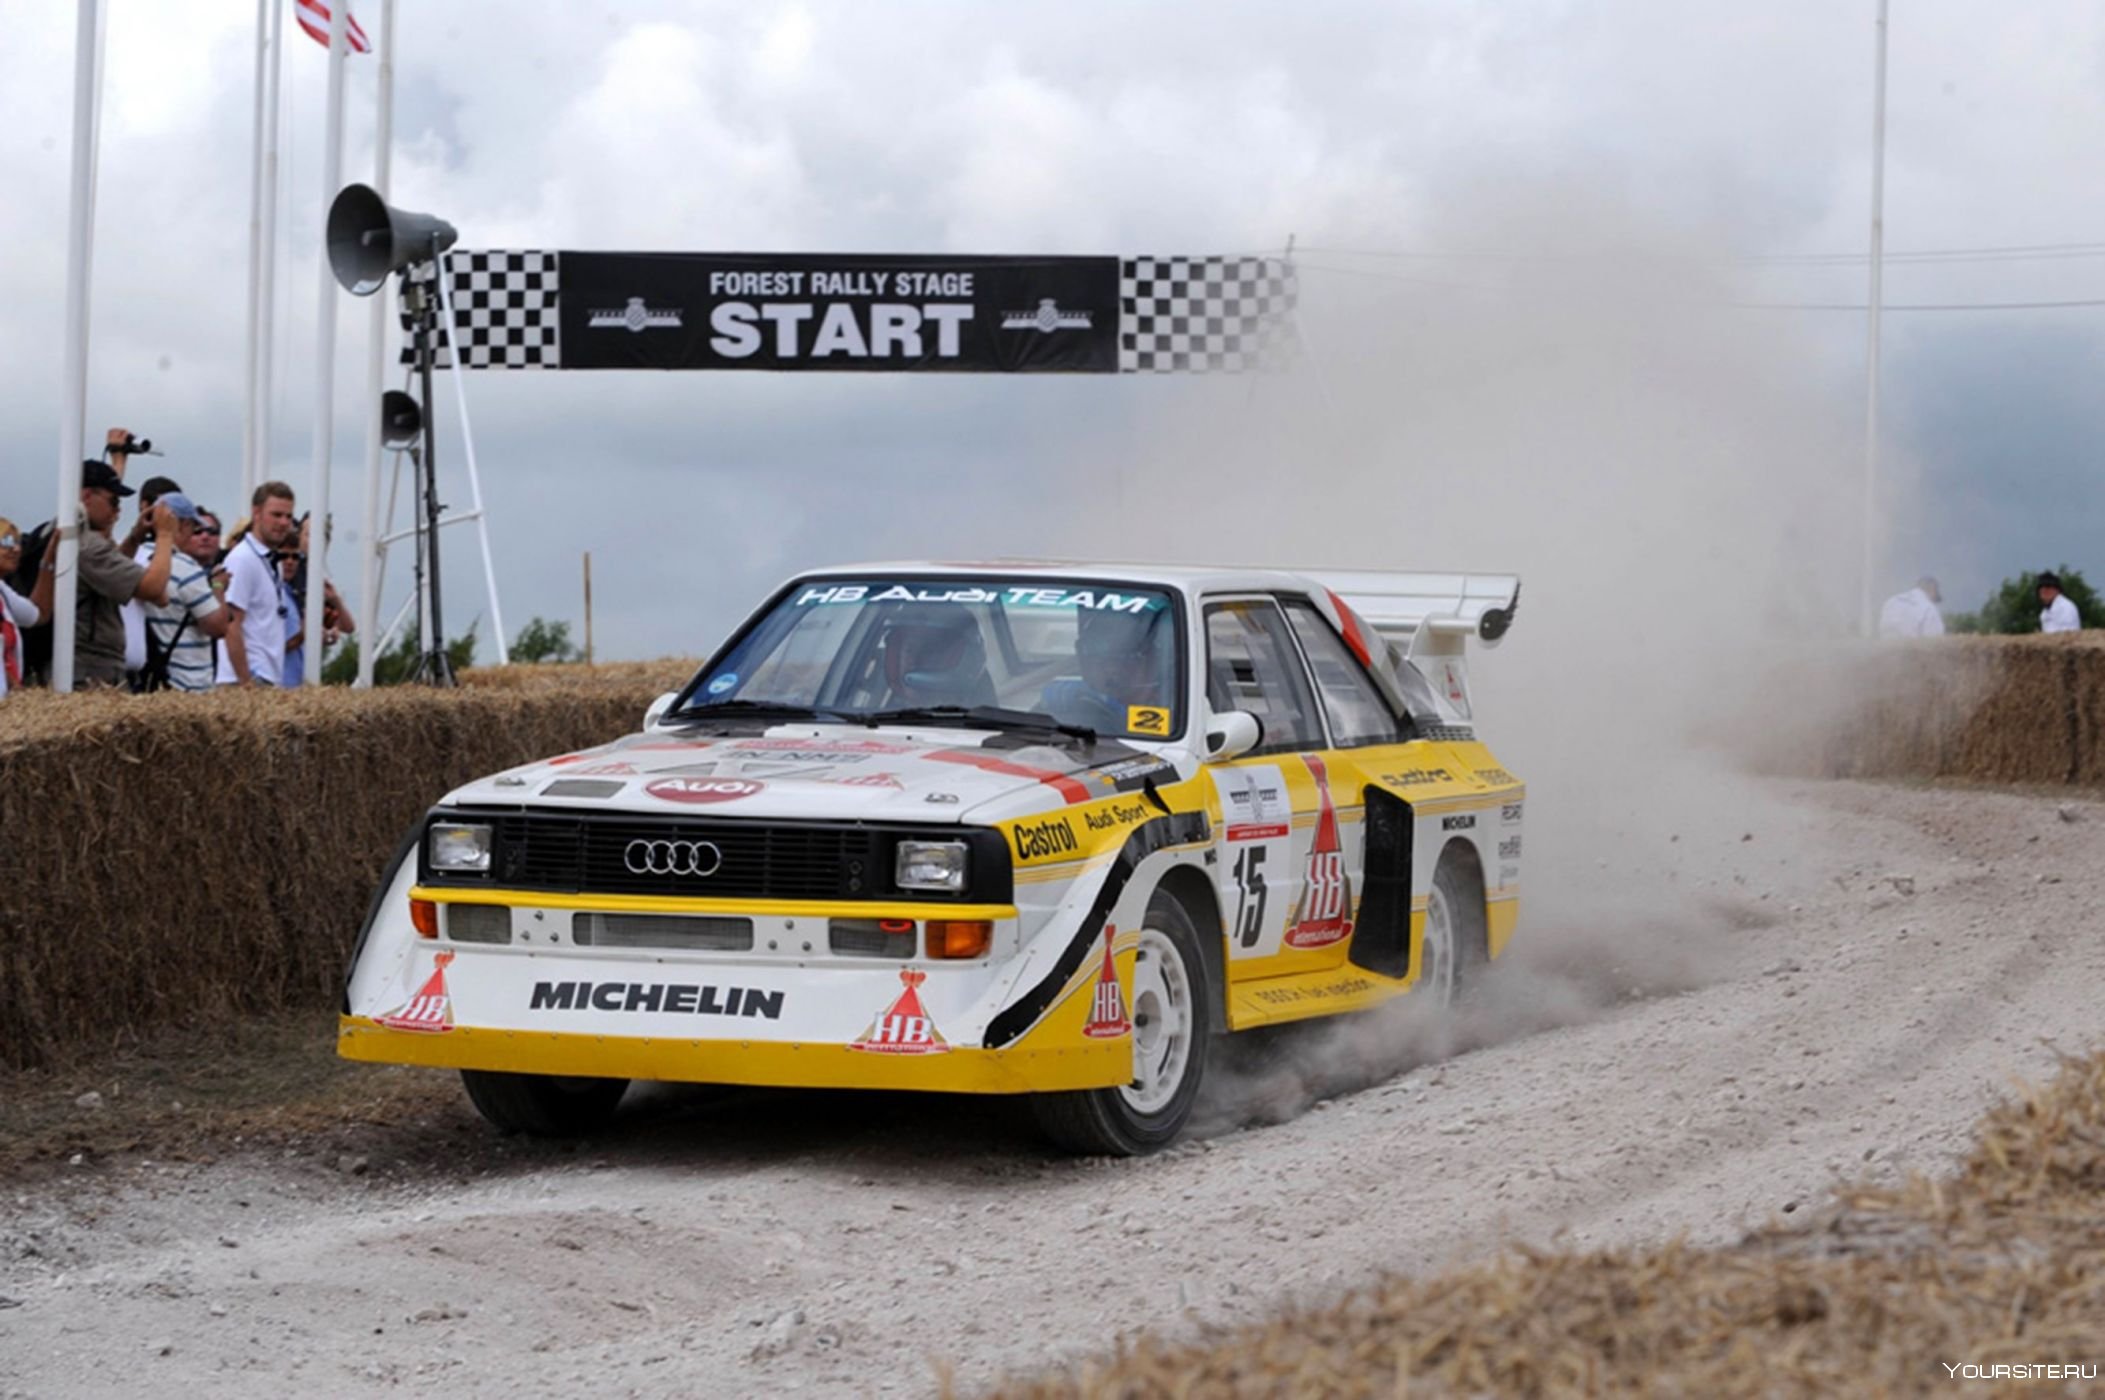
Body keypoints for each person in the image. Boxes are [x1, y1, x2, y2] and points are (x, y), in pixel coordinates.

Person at [39, 461, 179, 688]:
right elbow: (154, 589)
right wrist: (165, 535)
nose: (118, 511)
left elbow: (108, 575)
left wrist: (134, 538)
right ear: (86, 496)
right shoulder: (86, 545)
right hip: (90, 670)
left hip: (75, 664)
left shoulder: (59, 534)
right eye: (114, 502)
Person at [137, 493, 229, 693]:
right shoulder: (185, 568)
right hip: (187, 683)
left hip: (150, 680)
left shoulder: (139, 557)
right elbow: (218, 627)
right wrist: (218, 586)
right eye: (194, 528)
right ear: (184, 525)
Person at [1040, 606, 1175, 734]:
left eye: (1127, 655)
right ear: (1080, 655)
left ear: (1155, 656)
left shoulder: (1176, 704)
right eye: (1097, 655)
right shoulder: (1062, 699)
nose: (1111, 667)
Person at [216, 481, 299, 687]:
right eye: (276, 515)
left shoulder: (271, 561)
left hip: (266, 675)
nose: (283, 523)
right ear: (256, 513)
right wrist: (246, 682)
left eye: (288, 516)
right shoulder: (242, 559)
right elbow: (231, 624)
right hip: (247, 677)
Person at [0, 516, 43, 700]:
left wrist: (48, 562)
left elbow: (37, 615)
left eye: (17, 542)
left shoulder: (3, 591)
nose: (16, 549)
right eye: (6, 542)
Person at [1877, 576, 1945, 638]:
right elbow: (1934, 640)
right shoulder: (1929, 609)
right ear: (1932, 588)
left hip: (1885, 646)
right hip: (1912, 647)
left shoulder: (1891, 601)